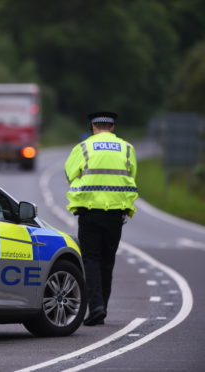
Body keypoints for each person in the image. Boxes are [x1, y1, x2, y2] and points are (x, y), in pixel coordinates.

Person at [64, 112, 138, 326]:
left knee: (91, 259)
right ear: (112, 127)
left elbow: (70, 174)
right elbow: (131, 176)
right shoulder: (127, 148)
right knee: (107, 260)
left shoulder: (84, 148)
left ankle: (95, 307)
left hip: (90, 211)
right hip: (116, 212)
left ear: (93, 127)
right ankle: (102, 306)